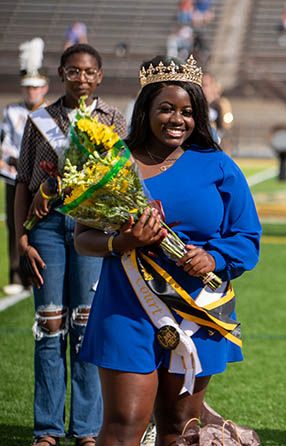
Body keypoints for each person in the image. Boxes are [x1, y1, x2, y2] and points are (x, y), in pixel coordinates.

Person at [75, 55, 261, 446]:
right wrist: (124, 242)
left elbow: (247, 238)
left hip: (197, 311)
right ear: (145, 111)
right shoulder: (114, 162)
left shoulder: (219, 165)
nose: (178, 119)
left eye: (188, 111)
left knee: (179, 429)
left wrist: (214, 257)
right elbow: (83, 237)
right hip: (125, 306)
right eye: (166, 109)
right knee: (124, 424)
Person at [16, 43, 127, 446]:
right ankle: (47, 428)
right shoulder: (39, 121)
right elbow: (23, 184)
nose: (82, 78)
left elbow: (118, 177)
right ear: (61, 73)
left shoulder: (113, 119)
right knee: (49, 327)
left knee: (85, 325)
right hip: (47, 229)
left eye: (90, 72)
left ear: (99, 76)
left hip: (92, 229)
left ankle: (86, 429)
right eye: (74, 71)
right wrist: (21, 239)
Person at [1, 38, 49, 295]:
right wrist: (12, 159)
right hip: (13, 175)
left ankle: (37, 272)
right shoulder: (11, 111)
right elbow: (6, 143)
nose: (31, 92)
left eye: (36, 87)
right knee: (14, 225)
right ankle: (17, 275)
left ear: (44, 88)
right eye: (27, 88)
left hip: (41, 178)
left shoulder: (51, 113)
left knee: (39, 225)